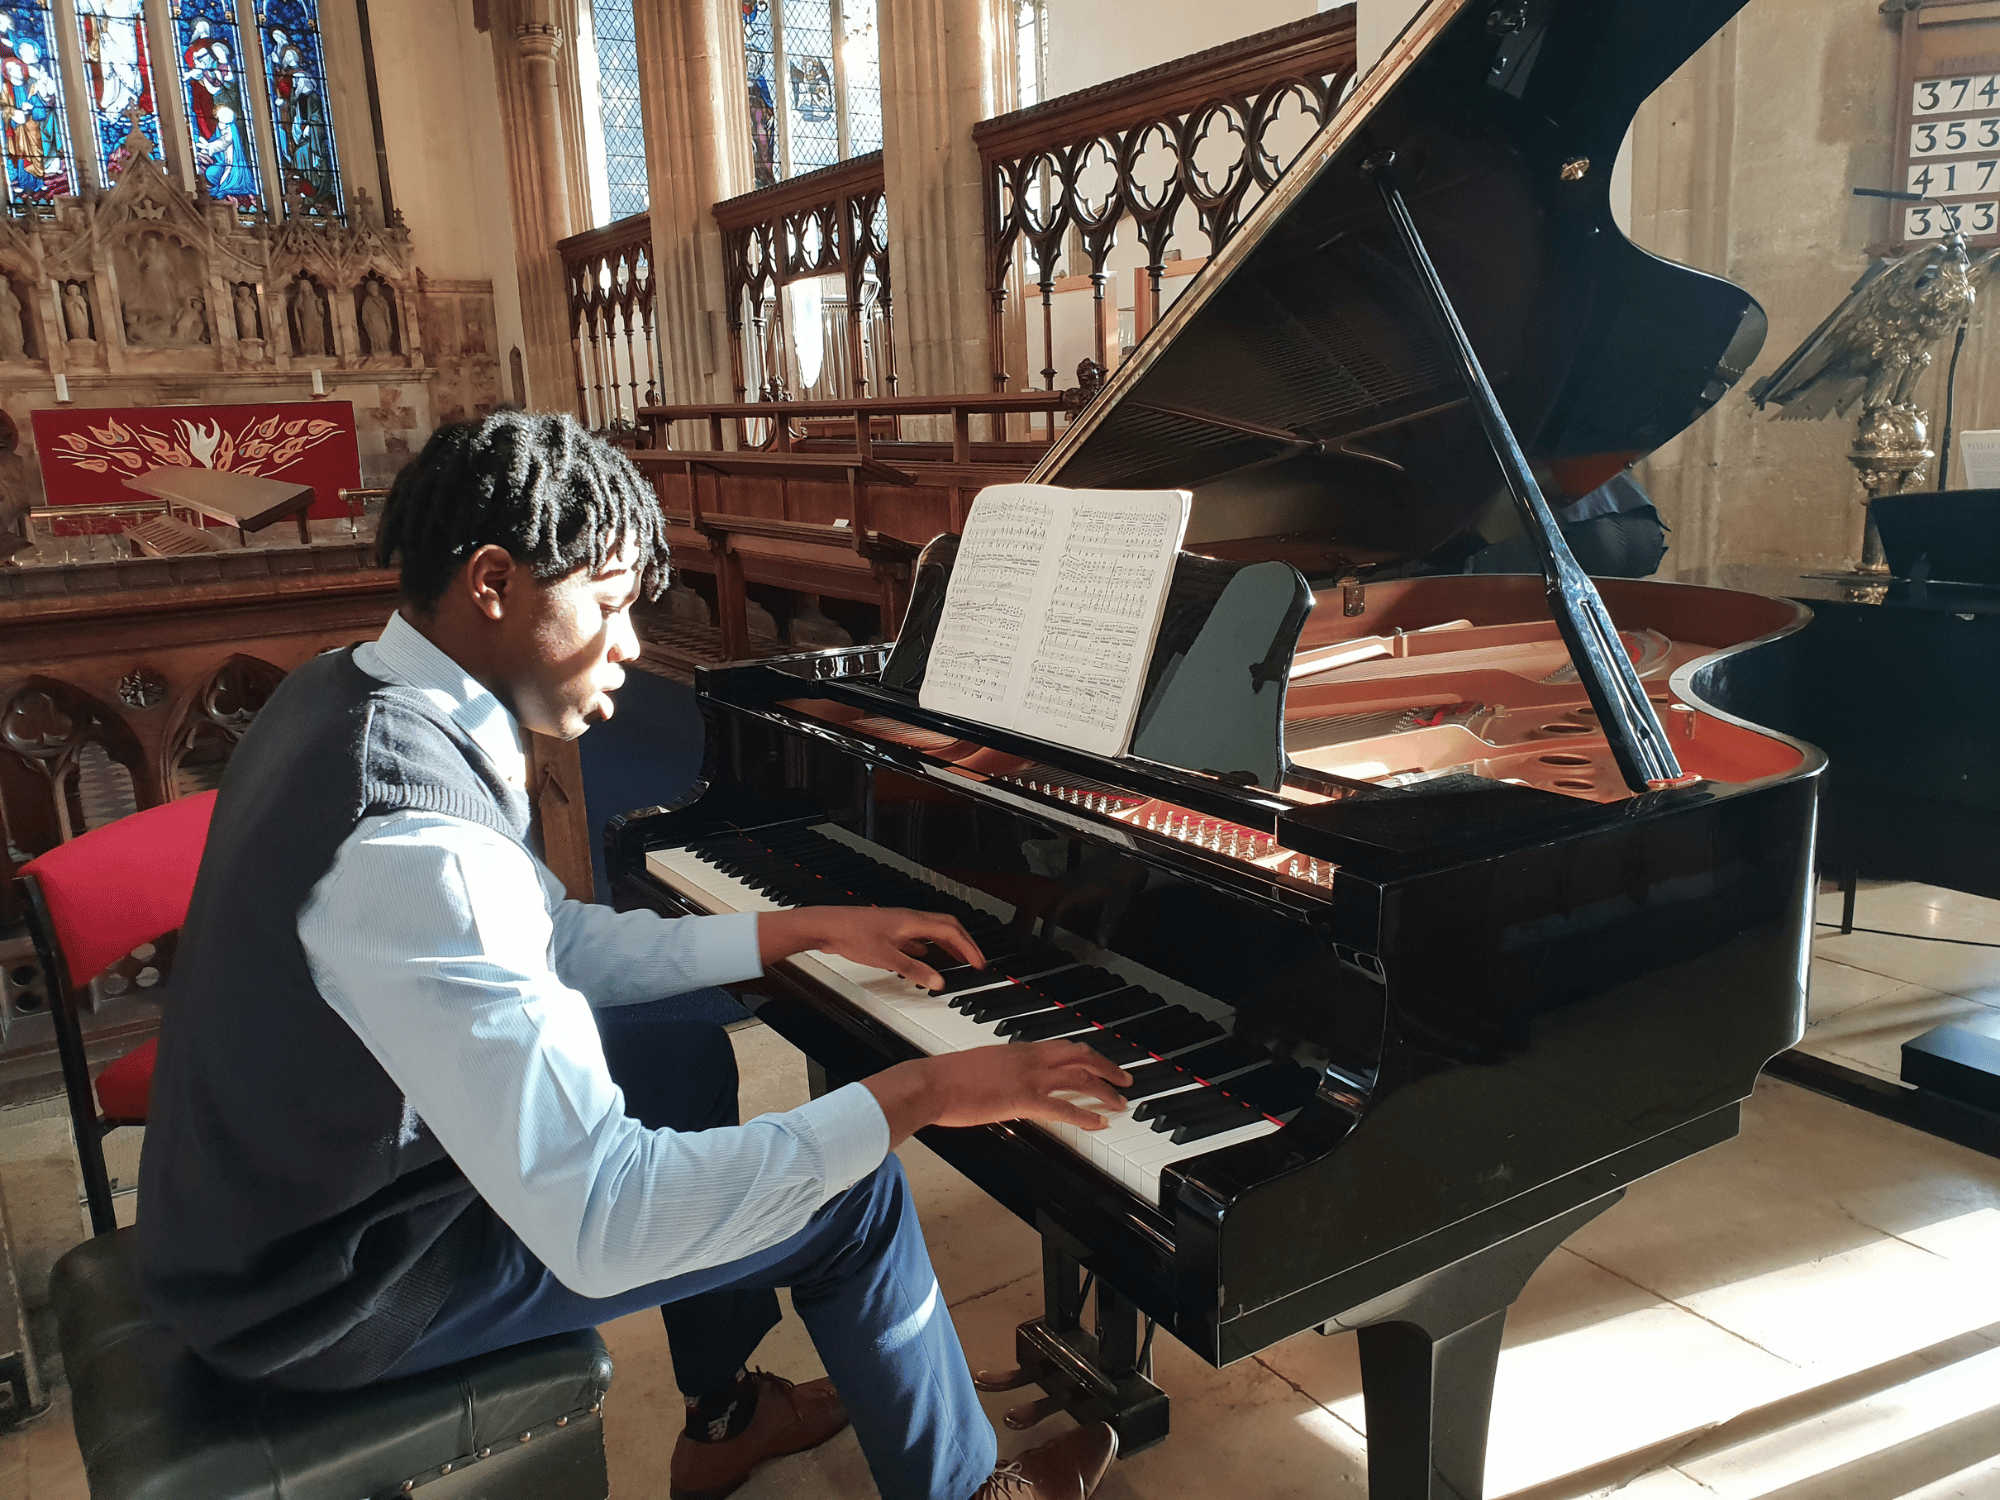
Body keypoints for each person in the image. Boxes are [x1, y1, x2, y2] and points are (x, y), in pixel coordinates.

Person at [134, 412, 1132, 1500]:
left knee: (683, 1065)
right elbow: (605, 1223)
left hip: (282, 1214)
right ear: (492, 582)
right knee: (856, 1197)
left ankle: (720, 1418)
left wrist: (795, 928)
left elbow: (544, 937)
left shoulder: (353, 690)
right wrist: (925, 1090)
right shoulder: (420, 850)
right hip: (329, 1292)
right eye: (606, 605)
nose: (633, 646)